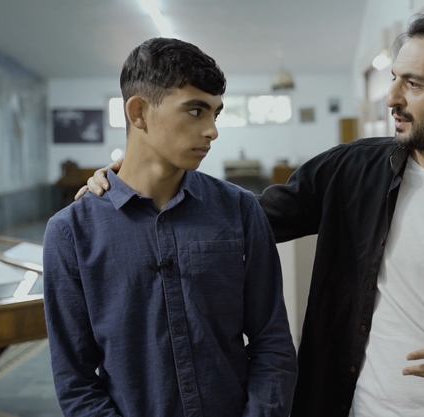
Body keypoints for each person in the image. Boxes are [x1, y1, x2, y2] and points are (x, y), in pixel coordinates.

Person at [79, 12, 424, 417]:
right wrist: (135, 183)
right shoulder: (351, 170)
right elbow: (239, 222)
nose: (392, 98)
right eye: (394, 79)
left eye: (414, 84)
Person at [44, 37, 297, 417]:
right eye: (195, 111)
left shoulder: (240, 209)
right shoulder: (71, 232)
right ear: (139, 112)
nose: (212, 131)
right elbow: (75, 380)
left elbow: (272, 341)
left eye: (215, 114)